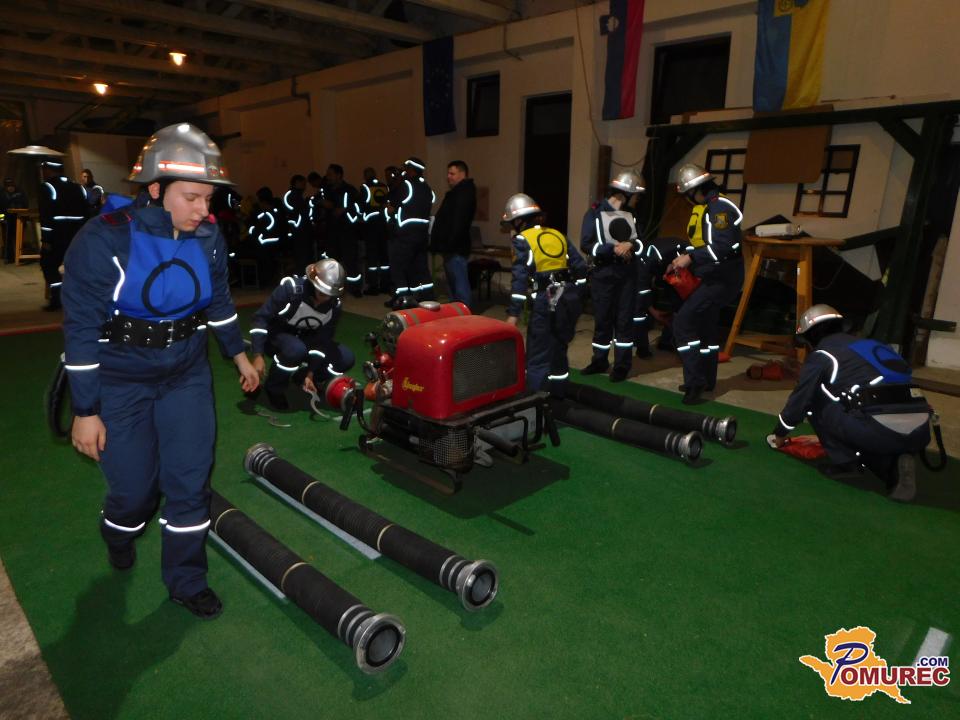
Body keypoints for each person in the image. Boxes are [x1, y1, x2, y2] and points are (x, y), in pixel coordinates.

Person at [62, 123, 260, 619]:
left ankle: (187, 580)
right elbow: (81, 331)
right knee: (135, 494)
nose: (203, 210)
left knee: (190, 483)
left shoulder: (208, 236)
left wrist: (237, 355)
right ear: (155, 190)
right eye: (192, 197)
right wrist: (85, 410)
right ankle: (118, 531)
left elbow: (218, 301)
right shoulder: (103, 240)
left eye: (208, 198)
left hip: (186, 375)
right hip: (120, 382)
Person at [769, 305, 931, 502]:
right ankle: (893, 465)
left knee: (815, 398)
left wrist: (779, 434)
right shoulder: (877, 345)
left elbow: (799, 401)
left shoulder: (822, 355)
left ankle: (846, 463)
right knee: (861, 410)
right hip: (921, 430)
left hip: (876, 430)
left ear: (810, 336)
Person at [669, 162, 745, 404]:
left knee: (682, 323)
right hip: (715, 275)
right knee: (705, 326)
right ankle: (706, 380)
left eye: (687, 194)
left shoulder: (719, 208)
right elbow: (706, 243)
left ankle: (695, 383)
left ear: (695, 190)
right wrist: (685, 257)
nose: (687, 200)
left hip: (722, 278)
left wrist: (690, 258)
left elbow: (722, 247)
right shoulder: (709, 206)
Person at [503, 193, 587, 397]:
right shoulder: (558, 235)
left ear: (519, 221)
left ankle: (535, 400)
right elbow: (580, 268)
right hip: (568, 298)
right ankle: (559, 394)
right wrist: (576, 294)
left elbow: (519, 281)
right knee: (559, 348)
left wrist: (513, 315)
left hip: (545, 298)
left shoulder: (522, 241)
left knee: (538, 352)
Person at [249, 259, 356, 410]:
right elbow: (260, 318)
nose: (324, 298)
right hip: (277, 337)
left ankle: (304, 377)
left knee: (346, 358)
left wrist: (311, 372)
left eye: (329, 295)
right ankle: (274, 388)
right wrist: (257, 355)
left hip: (308, 340)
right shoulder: (291, 289)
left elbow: (323, 340)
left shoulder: (334, 306)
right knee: (295, 349)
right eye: (321, 292)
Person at [580, 170, 645, 382]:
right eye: (635, 195)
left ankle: (622, 366)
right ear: (625, 193)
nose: (637, 199)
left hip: (627, 273)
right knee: (603, 319)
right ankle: (599, 360)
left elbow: (641, 242)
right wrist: (613, 249)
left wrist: (631, 245)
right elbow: (586, 244)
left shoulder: (631, 214)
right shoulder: (594, 213)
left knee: (624, 320)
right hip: (603, 273)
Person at [385, 157, 434, 308]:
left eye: (406, 168)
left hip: (404, 234)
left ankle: (403, 301)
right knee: (421, 268)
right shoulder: (427, 188)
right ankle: (427, 298)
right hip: (422, 234)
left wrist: (389, 211)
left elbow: (392, 205)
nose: (404, 171)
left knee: (398, 268)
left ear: (412, 170)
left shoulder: (405, 185)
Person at [39, 157, 88, 311]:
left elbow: (45, 216)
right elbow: (87, 212)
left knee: (49, 265)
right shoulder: (78, 187)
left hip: (57, 234)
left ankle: (57, 298)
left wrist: (46, 239)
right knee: (77, 266)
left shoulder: (47, 187)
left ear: (48, 170)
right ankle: (81, 298)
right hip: (78, 234)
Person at [430, 160, 476, 307]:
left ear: (462, 174)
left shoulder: (463, 194)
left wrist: (449, 243)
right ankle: (456, 312)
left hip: (455, 248)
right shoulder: (458, 193)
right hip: (451, 247)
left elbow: (458, 222)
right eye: (448, 173)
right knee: (454, 286)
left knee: (459, 287)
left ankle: (463, 314)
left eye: (452, 173)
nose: (448, 177)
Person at [322, 164, 363, 297]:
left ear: (339, 175)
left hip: (347, 230)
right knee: (331, 262)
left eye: (330, 174)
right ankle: (332, 288)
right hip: (331, 231)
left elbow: (358, 207)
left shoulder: (350, 190)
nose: (328, 177)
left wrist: (344, 210)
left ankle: (354, 288)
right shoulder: (326, 190)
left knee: (351, 260)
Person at [359, 167, 389, 295]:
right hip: (383, 223)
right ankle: (385, 284)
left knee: (372, 258)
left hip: (371, 225)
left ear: (365, 176)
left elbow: (361, 205)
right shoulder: (384, 186)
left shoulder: (365, 187)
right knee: (384, 257)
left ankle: (373, 286)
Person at [1, 178, 27, 263]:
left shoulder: (20, 193)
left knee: (19, 239)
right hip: (7, 220)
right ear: (5, 187)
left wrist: (24, 218)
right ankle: (9, 257)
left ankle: (20, 256)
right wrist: (2, 219)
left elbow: (25, 205)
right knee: (7, 239)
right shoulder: (2, 194)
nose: (10, 188)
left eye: (12, 186)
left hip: (18, 219)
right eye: (8, 186)